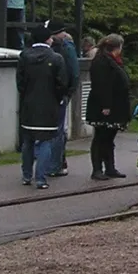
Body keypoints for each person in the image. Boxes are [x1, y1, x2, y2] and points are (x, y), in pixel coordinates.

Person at [17, 26, 70, 189]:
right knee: (46, 141)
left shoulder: (24, 56)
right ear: (49, 39)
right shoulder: (56, 58)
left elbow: (20, 82)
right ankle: (41, 178)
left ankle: (26, 175)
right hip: (49, 105)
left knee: (28, 141)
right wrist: (58, 97)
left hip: (29, 105)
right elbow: (62, 83)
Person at [86, 33, 131, 180]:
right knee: (101, 137)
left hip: (115, 104)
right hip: (104, 106)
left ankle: (110, 167)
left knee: (109, 137)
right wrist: (105, 105)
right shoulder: (101, 62)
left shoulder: (112, 60)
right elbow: (101, 85)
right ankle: (97, 169)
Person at [47, 23, 80, 177]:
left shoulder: (57, 48)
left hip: (49, 94)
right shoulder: (67, 48)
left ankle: (52, 163)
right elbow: (74, 72)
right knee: (59, 130)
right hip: (61, 93)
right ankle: (57, 163)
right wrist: (69, 91)